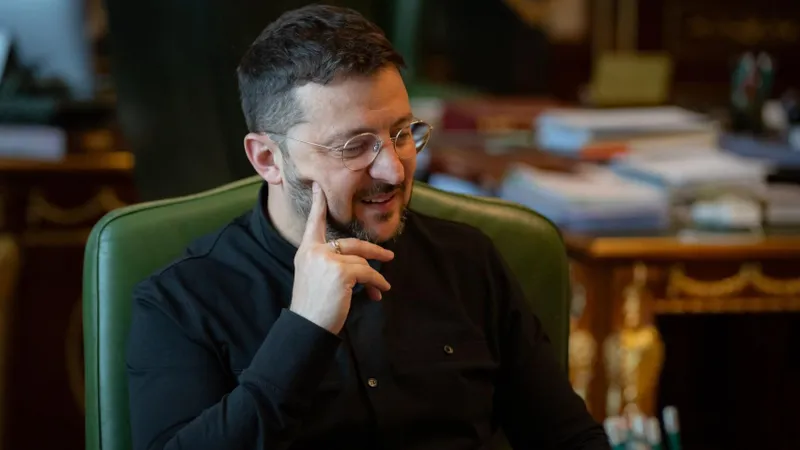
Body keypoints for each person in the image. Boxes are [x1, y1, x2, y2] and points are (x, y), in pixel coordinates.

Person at [126, 5, 609, 450]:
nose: (394, 171)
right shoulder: (180, 301)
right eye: (354, 147)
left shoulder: (468, 261)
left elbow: (570, 439)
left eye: (402, 133)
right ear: (268, 158)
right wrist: (304, 330)